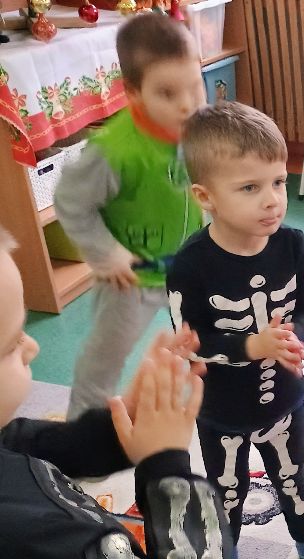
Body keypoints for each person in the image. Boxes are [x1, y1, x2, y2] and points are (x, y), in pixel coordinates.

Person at [0, 228, 235, 559]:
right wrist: (166, 465)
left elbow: (32, 445)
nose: (32, 347)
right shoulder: (36, 544)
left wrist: (122, 423)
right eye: (11, 344)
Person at [167, 102, 304, 559]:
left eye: (278, 182)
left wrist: (294, 338)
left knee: (293, 476)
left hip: (284, 401)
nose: (272, 200)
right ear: (206, 196)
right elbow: (189, 343)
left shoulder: (293, 244)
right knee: (226, 491)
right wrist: (253, 344)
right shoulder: (190, 266)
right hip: (222, 412)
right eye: (249, 188)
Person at [55, 12, 206, 420]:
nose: (187, 104)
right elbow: (70, 202)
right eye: (167, 93)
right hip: (131, 281)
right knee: (103, 361)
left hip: (189, 272)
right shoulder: (113, 151)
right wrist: (107, 254)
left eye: (195, 85)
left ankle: (208, 418)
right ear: (134, 93)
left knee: (209, 344)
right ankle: (82, 437)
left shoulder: (197, 128)